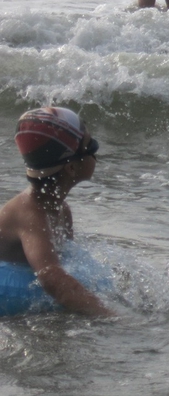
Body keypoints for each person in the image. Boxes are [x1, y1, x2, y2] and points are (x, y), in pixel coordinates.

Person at [0, 107, 114, 317]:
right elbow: (50, 275)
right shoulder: (31, 215)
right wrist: (109, 315)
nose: (96, 153)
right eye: (91, 146)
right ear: (71, 168)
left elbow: (66, 259)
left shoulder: (61, 209)